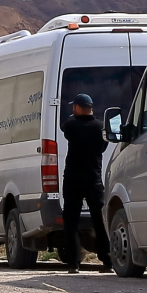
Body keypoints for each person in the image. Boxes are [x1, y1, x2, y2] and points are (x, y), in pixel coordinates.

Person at [59, 94, 107, 273]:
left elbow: (66, 127)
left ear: (78, 108)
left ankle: (73, 263)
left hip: (73, 180)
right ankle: (107, 261)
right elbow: (102, 147)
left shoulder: (71, 126)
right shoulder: (100, 127)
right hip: (93, 179)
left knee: (71, 222)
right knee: (99, 221)